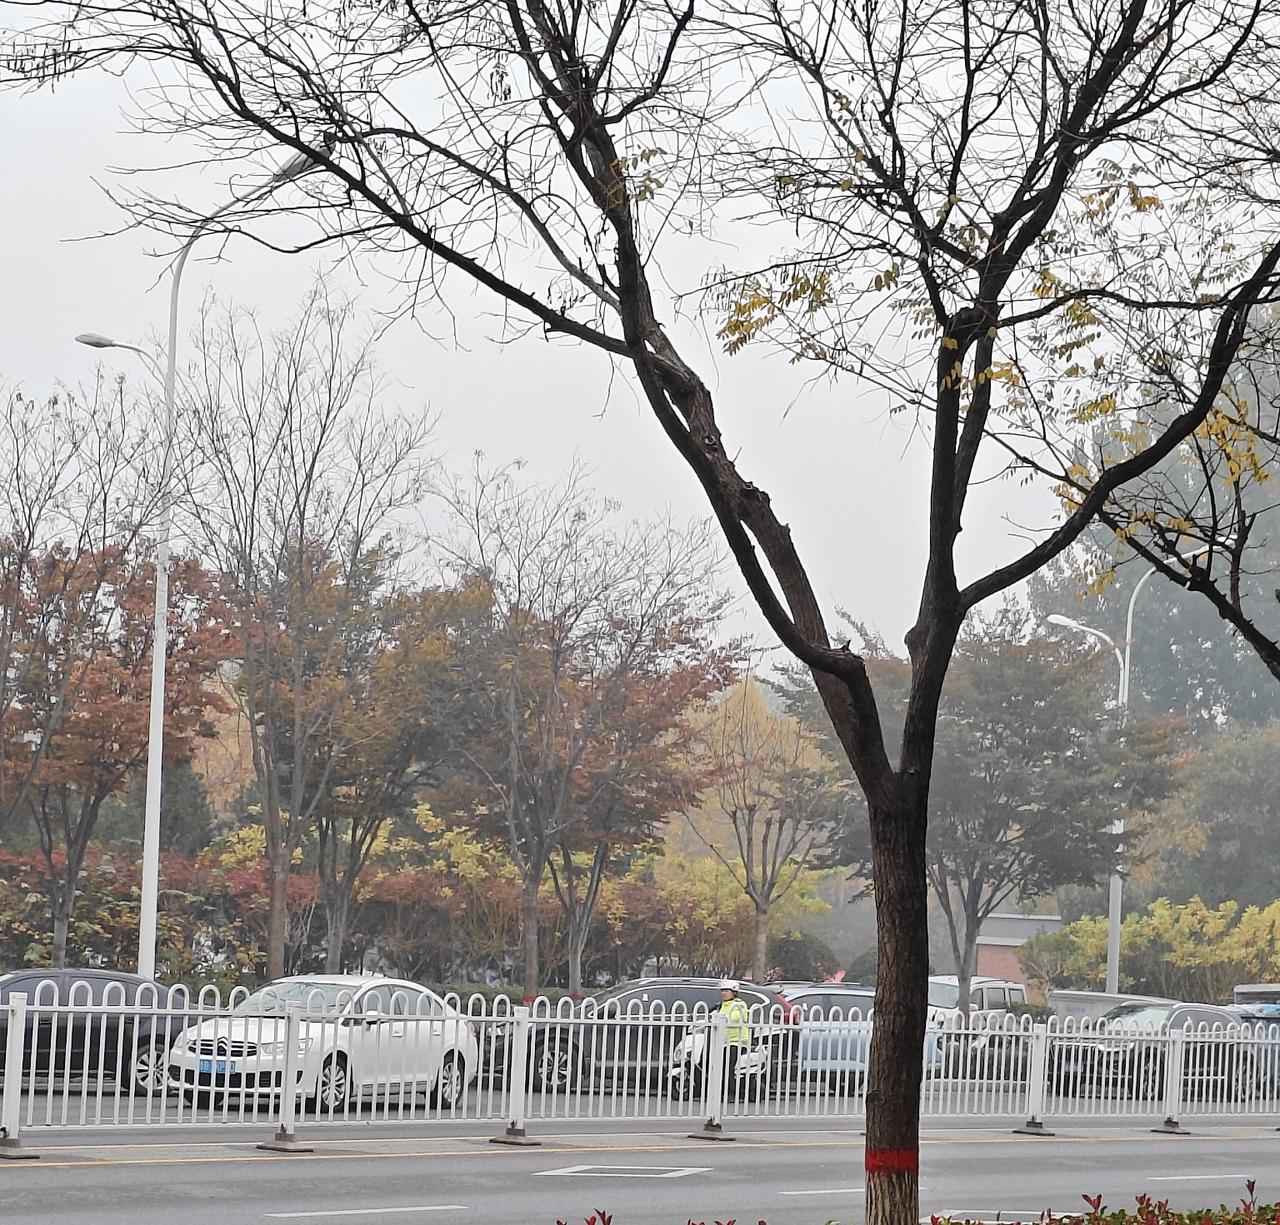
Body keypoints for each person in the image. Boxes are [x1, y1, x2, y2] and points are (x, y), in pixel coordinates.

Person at [717, 979, 751, 1099]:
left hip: (736, 1042)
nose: (723, 993)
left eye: (726, 991)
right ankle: (722, 1091)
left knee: (729, 1068)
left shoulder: (739, 1004)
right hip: (723, 1042)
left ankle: (731, 1093)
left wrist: (722, 1018)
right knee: (720, 1067)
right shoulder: (722, 1005)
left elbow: (735, 1018)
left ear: (734, 992)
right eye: (722, 991)